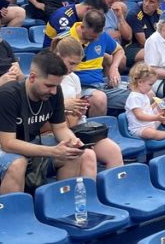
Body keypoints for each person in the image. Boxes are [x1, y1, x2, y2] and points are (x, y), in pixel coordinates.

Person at [0, 50, 96, 195]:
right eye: (49, 85)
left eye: (56, 86)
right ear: (32, 77)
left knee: (71, 154)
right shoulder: (7, 95)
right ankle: (16, 215)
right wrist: (53, 151)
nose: (53, 91)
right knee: (17, 163)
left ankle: (61, 206)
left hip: (26, 142)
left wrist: (73, 143)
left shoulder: (54, 92)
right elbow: (8, 144)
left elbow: (61, 128)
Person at [52, 37, 124, 170]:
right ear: (58, 56)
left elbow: (79, 111)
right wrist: (64, 106)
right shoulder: (47, 78)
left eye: (76, 64)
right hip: (56, 130)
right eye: (71, 63)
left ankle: (111, 190)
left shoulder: (73, 78)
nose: (74, 68)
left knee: (113, 151)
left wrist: (81, 109)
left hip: (78, 127)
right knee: (87, 156)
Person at [50, 10, 124, 117]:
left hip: (101, 85)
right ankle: (93, 131)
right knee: (100, 98)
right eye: (92, 36)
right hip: (81, 87)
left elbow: (119, 50)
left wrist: (114, 68)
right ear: (83, 26)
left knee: (143, 94)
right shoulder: (65, 40)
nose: (97, 39)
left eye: (98, 35)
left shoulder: (102, 36)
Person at [124, 63, 165, 141]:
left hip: (150, 122)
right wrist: (156, 118)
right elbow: (139, 115)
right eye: (150, 84)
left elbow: (147, 109)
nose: (151, 87)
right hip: (140, 128)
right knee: (151, 133)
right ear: (140, 82)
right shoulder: (134, 97)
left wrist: (159, 102)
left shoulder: (143, 94)